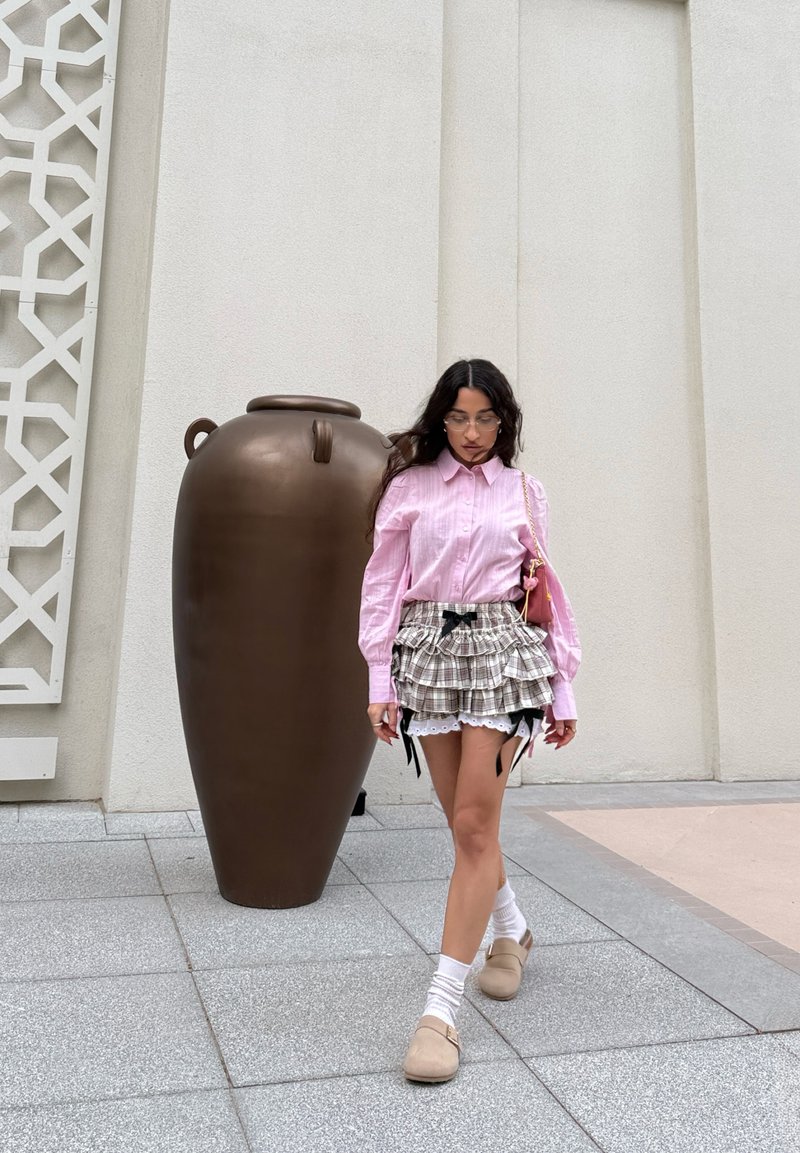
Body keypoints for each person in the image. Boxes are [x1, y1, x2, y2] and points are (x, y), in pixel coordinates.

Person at [358, 358, 580, 1083]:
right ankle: (512, 932)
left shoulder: (523, 490)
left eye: (487, 417)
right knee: (465, 823)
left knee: (475, 826)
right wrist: (378, 677)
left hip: (499, 657)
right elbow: (383, 584)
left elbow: (544, 583)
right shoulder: (408, 488)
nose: (473, 432)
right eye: (459, 417)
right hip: (427, 653)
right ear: (440, 419)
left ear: (504, 421)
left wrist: (563, 687)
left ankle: (439, 1012)